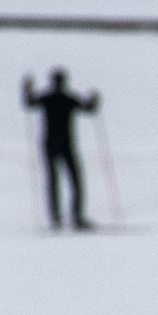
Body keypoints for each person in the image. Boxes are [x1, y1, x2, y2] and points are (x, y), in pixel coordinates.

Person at [23, 67, 100, 230]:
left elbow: (29, 103)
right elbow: (89, 109)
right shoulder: (69, 98)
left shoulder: (47, 98)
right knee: (75, 180)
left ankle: (55, 218)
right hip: (67, 144)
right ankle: (77, 218)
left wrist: (26, 89)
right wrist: (95, 100)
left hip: (49, 144)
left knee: (53, 180)